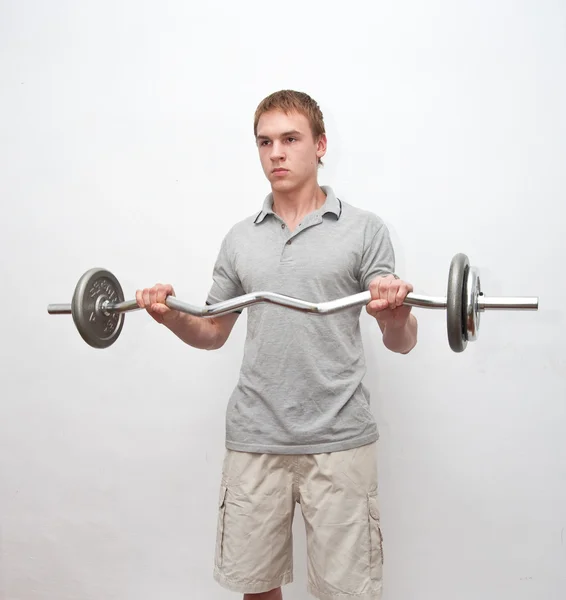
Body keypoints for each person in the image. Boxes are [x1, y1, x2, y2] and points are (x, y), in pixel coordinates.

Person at [135, 90, 417, 600]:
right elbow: (212, 331)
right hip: (255, 436)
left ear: (320, 145)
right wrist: (169, 315)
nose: (276, 154)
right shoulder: (240, 239)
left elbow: (400, 342)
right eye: (265, 142)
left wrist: (397, 311)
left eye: (290, 139)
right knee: (257, 588)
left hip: (339, 437)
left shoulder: (363, 230)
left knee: (348, 593)